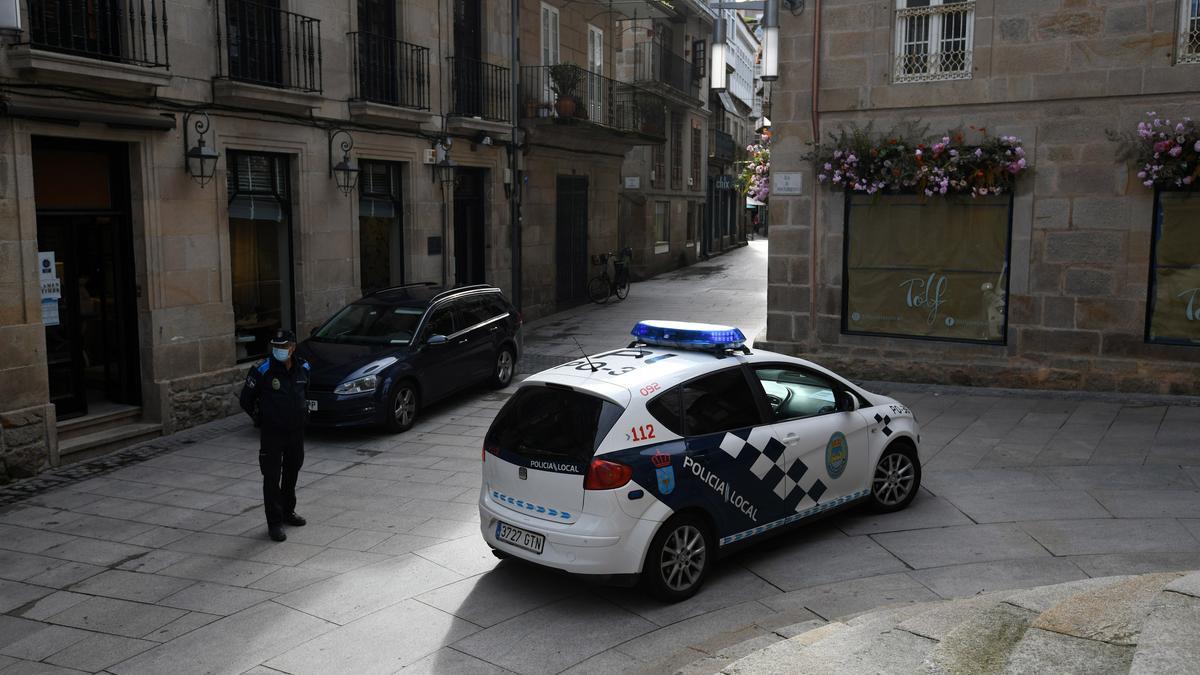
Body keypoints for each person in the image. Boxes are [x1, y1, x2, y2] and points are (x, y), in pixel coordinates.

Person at [239, 329, 310, 542]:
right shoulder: (263, 370)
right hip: (272, 434)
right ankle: (275, 523)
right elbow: (246, 400)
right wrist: (261, 419)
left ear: (293, 347)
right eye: (276, 346)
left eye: (284, 346)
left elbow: (306, 393)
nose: (279, 350)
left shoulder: (304, 367)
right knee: (271, 478)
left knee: (292, 473)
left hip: (295, 432)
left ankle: (288, 512)